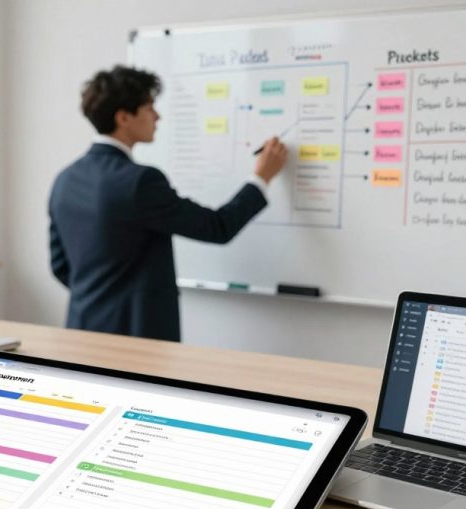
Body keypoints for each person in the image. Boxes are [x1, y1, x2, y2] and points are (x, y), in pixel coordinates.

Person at [48, 65, 287, 342]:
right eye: (149, 108)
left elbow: (60, 266)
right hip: (136, 339)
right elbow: (218, 227)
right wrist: (261, 177)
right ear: (124, 117)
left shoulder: (65, 180)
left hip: (82, 331)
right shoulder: (139, 182)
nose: (157, 116)